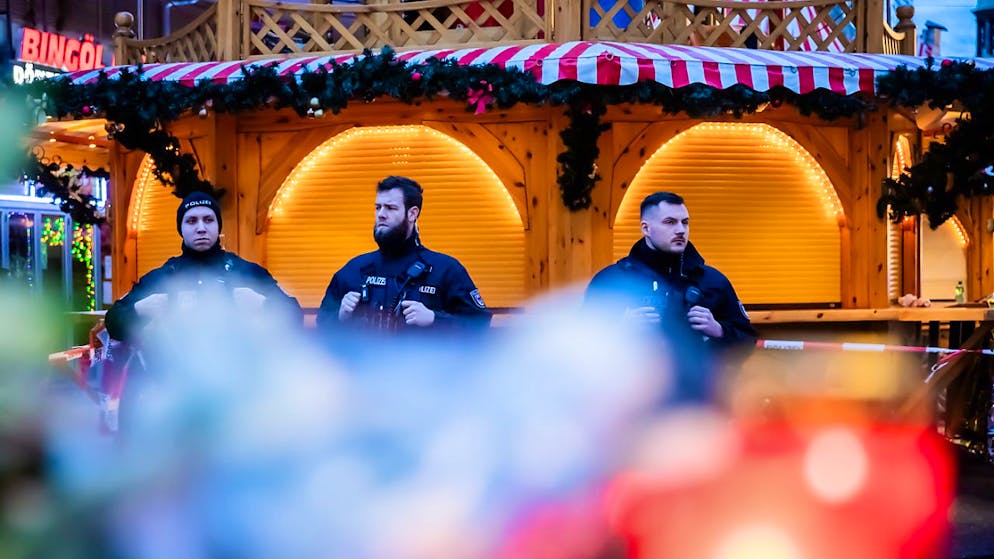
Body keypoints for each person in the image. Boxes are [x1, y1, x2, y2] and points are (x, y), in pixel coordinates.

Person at [586, 191, 755, 402]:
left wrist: (719, 330)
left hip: (699, 405)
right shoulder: (612, 282)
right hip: (631, 405)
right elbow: (580, 350)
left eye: (685, 222)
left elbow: (747, 342)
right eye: (669, 222)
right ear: (645, 228)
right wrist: (621, 329)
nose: (680, 230)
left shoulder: (712, 281)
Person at [105, 191, 302, 343]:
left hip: (241, 386)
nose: (201, 228)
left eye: (208, 220)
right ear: (180, 229)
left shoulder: (248, 273)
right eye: (191, 221)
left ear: (218, 227)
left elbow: (294, 318)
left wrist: (263, 304)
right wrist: (139, 310)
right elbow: (113, 323)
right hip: (173, 385)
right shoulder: (162, 277)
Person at [317, 176, 491, 334]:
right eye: (378, 207)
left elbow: (479, 325)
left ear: (412, 213)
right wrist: (339, 317)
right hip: (364, 367)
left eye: (391, 208)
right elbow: (322, 328)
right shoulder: (354, 270)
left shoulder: (445, 270)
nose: (381, 214)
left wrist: (434, 319)